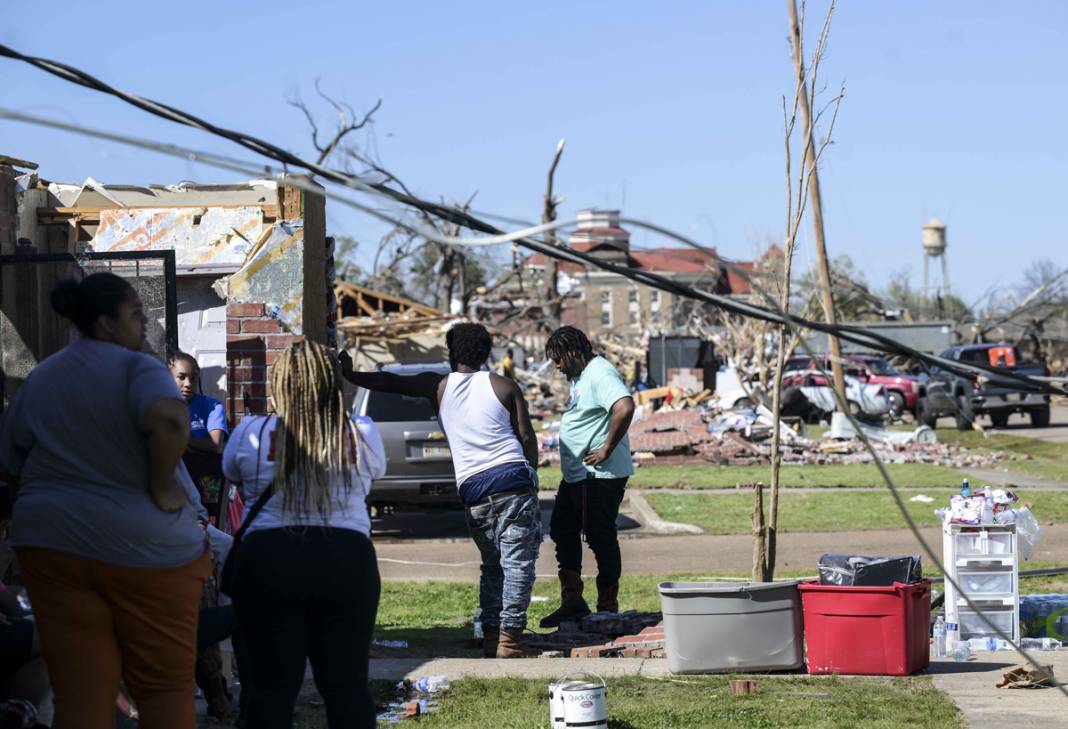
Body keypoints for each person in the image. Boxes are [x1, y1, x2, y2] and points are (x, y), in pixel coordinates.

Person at [0, 273, 210, 729]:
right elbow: (171, 422)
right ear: (106, 323)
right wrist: (162, 485)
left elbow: (11, 461)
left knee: (81, 693)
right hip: (147, 553)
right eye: (135, 313)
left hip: (53, 549)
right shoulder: (140, 367)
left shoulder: (43, 377)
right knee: (164, 688)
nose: (144, 322)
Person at [340, 323, 541, 658]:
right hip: (512, 482)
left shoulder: (437, 385)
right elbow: (527, 437)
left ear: (452, 353)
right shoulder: (505, 386)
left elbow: (389, 381)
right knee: (518, 563)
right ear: (485, 353)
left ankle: (492, 636)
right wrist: (531, 476)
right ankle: (511, 639)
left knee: (492, 564)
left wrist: (351, 374)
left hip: (474, 489)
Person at [223, 340, 385, 729]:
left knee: (269, 690)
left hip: (269, 558)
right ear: (330, 382)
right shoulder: (360, 431)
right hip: (345, 559)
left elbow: (232, 474)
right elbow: (373, 475)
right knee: (347, 688)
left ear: (280, 383)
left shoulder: (251, 431)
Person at [540, 326, 635, 628]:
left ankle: (607, 605)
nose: (557, 366)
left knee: (599, 534)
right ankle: (572, 601)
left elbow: (624, 406)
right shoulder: (582, 376)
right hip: (579, 474)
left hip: (598, 474)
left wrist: (607, 448)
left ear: (574, 351)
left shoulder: (599, 373)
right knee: (562, 528)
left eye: (558, 359)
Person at [168, 352, 228, 454]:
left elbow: (215, 446)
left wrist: (178, 438)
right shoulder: (160, 406)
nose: (188, 384)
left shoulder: (213, 407)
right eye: (181, 377)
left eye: (193, 378)